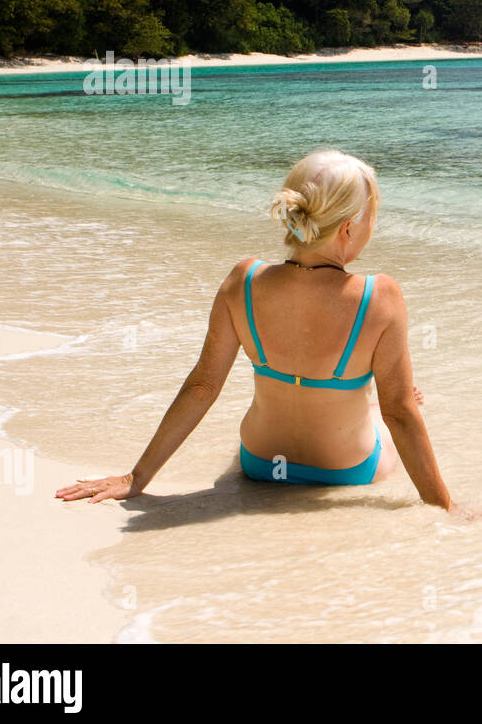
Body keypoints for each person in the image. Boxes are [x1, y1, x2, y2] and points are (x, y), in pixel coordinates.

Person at [56, 149, 457, 512]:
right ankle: (366, 408)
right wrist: (446, 507)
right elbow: (400, 414)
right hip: (345, 470)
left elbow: (202, 388)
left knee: (370, 406)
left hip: (261, 464)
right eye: (372, 216)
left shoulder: (244, 281)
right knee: (394, 409)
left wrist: (136, 478)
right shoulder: (379, 296)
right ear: (348, 228)